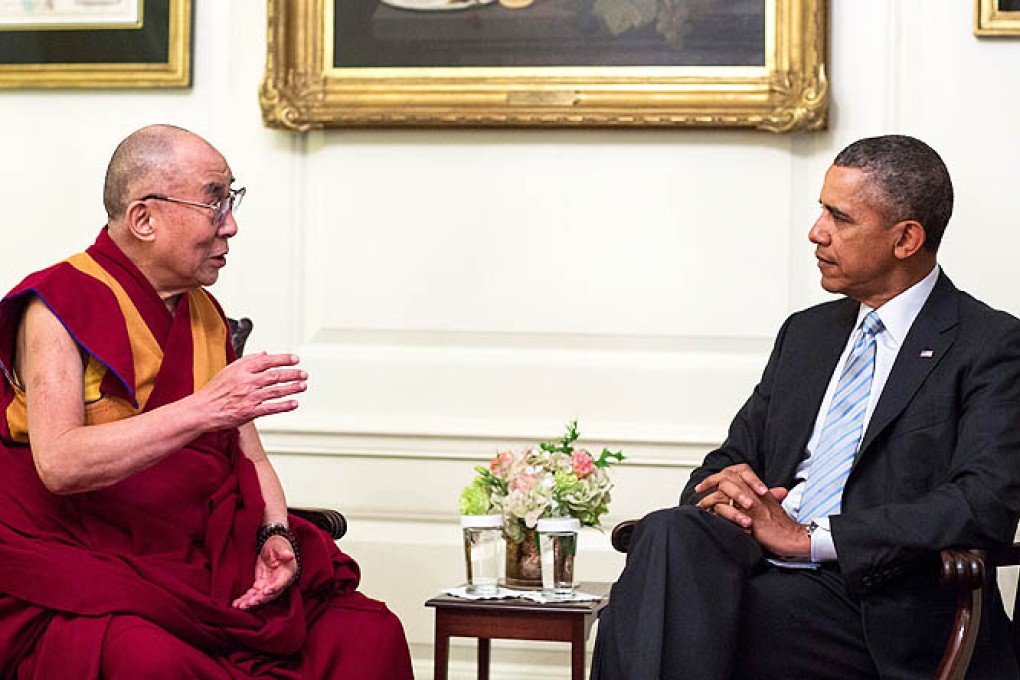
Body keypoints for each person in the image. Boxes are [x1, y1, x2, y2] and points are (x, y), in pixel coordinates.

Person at [591, 135, 1020, 680]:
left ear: (906, 238)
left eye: (839, 218)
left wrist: (810, 537)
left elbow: (983, 504)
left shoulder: (990, 344)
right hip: (754, 571)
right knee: (669, 533)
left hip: (877, 605)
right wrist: (738, 498)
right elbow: (720, 467)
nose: (816, 231)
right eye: (821, 210)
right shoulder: (807, 334)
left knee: (645, 617)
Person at [0, 124, 415, 678]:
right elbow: (59, 464)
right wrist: (207, 407)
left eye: (230, 198)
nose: (232, 224)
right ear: (144, 218)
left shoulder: (203, 317)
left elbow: (252, 458)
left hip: (196, 558)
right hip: (90, 560)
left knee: (366, 632)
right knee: (149, 660)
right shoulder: (56, 305)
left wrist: (274, 534)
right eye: (215, 200)